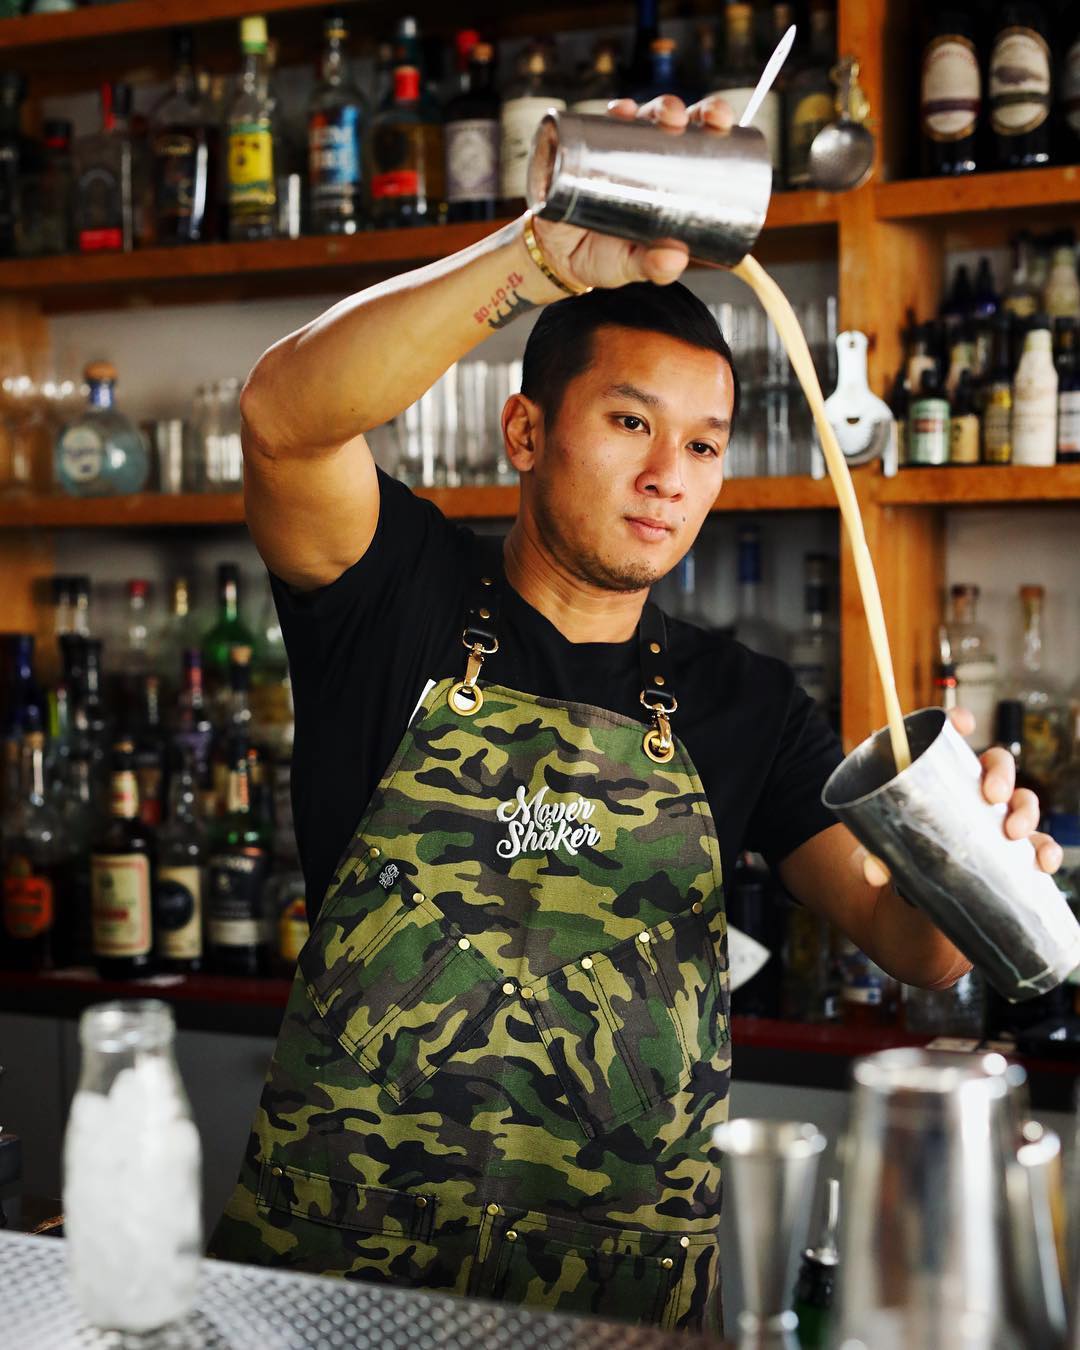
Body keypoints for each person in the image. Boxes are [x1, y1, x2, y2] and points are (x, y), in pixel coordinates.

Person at [209, 93, 1062, 1332]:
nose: (670, 477)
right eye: (629, 423)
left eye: (706, 446)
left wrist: (977, 861)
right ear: (525, 430)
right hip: (336, 1291)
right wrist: (539, 254)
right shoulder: (391, 595)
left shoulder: (745, 703)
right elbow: (282, 419)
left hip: (622, 1311)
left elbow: (915, 947)